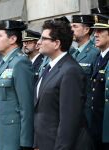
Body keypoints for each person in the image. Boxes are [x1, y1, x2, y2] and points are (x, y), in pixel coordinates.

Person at [34, 19, 92, 150]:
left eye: (43, 39)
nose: (39, 42)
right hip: (46, 143)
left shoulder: (70, 71)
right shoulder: (50, 67)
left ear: (56, 43)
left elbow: (69, 120)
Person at [0, 20, 34, 150]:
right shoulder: (4, 62)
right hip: (2, 135)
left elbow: (26, 105)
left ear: (12, 39)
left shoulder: (20, 63)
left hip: (14, 137)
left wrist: (26, 142)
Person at [71, 15, 99, 126]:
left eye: (75, 26)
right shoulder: (73, 54)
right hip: (75, 112)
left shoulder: (94, 52)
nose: (71, 29)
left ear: (86, 30)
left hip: (89, 113)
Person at [90, 14, 109, 150]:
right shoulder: (98, 57)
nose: (95, 34)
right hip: (96, 124)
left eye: (100, 31)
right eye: (95, 31)